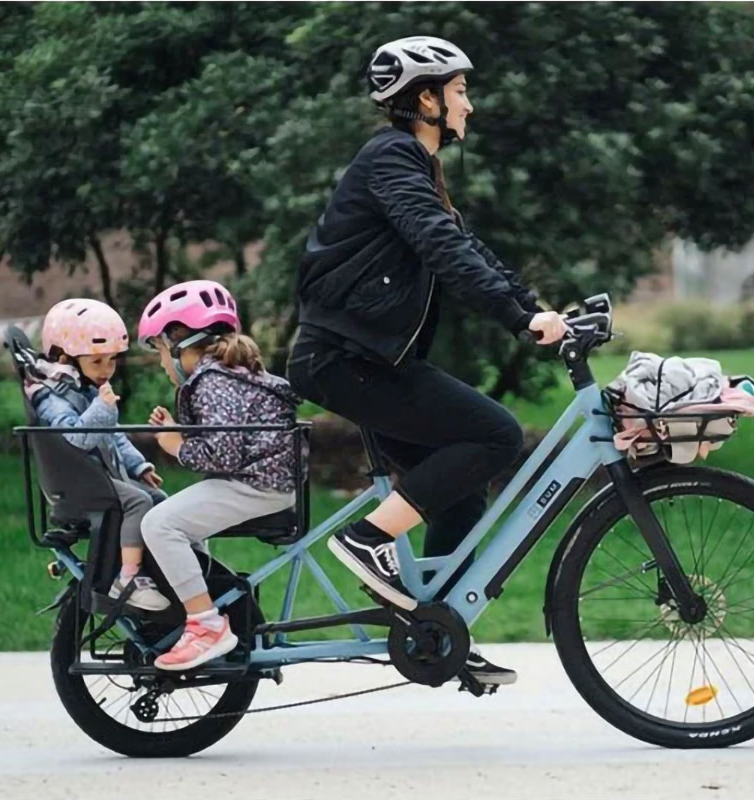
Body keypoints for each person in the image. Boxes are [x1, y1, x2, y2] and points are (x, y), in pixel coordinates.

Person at [286, 36, 569, 686]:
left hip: (365, 360)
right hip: (344, 359)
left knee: (464, 488)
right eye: (461, 90)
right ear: (426, 99)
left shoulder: (416, 168)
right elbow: (441, 245)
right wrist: (519, 318)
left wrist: (533, 307)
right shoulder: (393, 158)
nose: (469, 104)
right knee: (496, 433)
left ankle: (435, 628)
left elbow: (465, 245)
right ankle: (368, 540)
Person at [137, 280, 300, 671]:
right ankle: (203, 599)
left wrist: (175, 445)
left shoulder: (213, 381)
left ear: (180, 346)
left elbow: (223, 453)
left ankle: (206, 624)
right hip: (265, 481)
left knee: (159, 524)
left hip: (256, 485)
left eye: (160, 351)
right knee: (179, 521)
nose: (161, 363)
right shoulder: (232, 375)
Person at [28, 299, 170, 612]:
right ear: (66, 358)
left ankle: (174, 567)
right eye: (97, 362)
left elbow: (114, 435)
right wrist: (102, 408)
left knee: (159, 498)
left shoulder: (84, 388)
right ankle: (129, 578)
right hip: (80, 483)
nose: (106, 370)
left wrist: (139, 465)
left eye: (112, 361)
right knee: (139, 501)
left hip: (97, 475)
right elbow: (77, 438)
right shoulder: (52, 398)